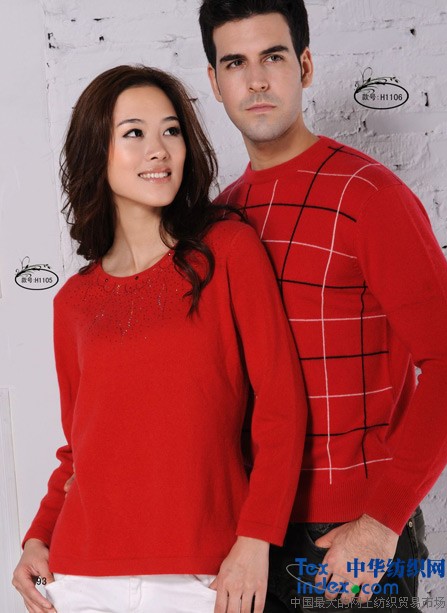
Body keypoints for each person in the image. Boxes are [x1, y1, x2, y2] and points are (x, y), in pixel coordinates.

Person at [12, 64, 308, 613]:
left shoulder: (228, 252)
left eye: (171, 130)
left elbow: (282, 410)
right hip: (80, 577)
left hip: (204, 575)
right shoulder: (73, 302)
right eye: (134, 133)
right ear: (96, 153)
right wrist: (37, 537)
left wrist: (256, 539)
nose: (159, 150)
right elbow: (80, 448)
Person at [198, 1, 447, 611]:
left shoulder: (370, 196)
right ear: (214, 81)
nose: (256, 81)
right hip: (250, 538)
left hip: (350, 536)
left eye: (273, 57)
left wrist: (382, 521)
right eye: (235, 63)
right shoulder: (221, 217)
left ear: (305, 66)